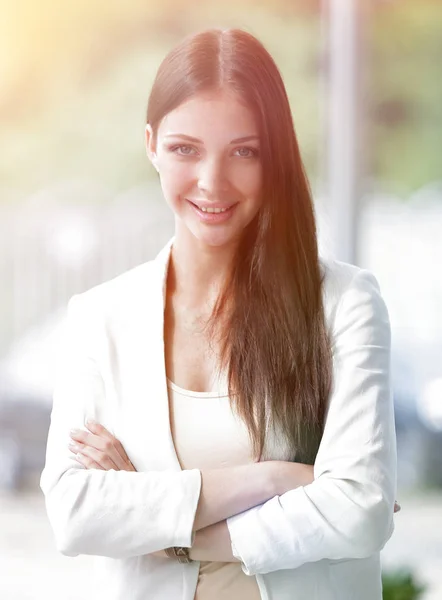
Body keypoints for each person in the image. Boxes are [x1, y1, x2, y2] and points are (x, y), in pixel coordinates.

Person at [40, 27, 399, 600]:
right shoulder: (99, 318)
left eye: (244, 151)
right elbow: (76, 513)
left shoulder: (345, 304)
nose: (212, 182)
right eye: (186, 148)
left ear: (274, 156)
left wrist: (169, 528)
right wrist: (276, 479)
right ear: (152, 143)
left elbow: (360, 510)